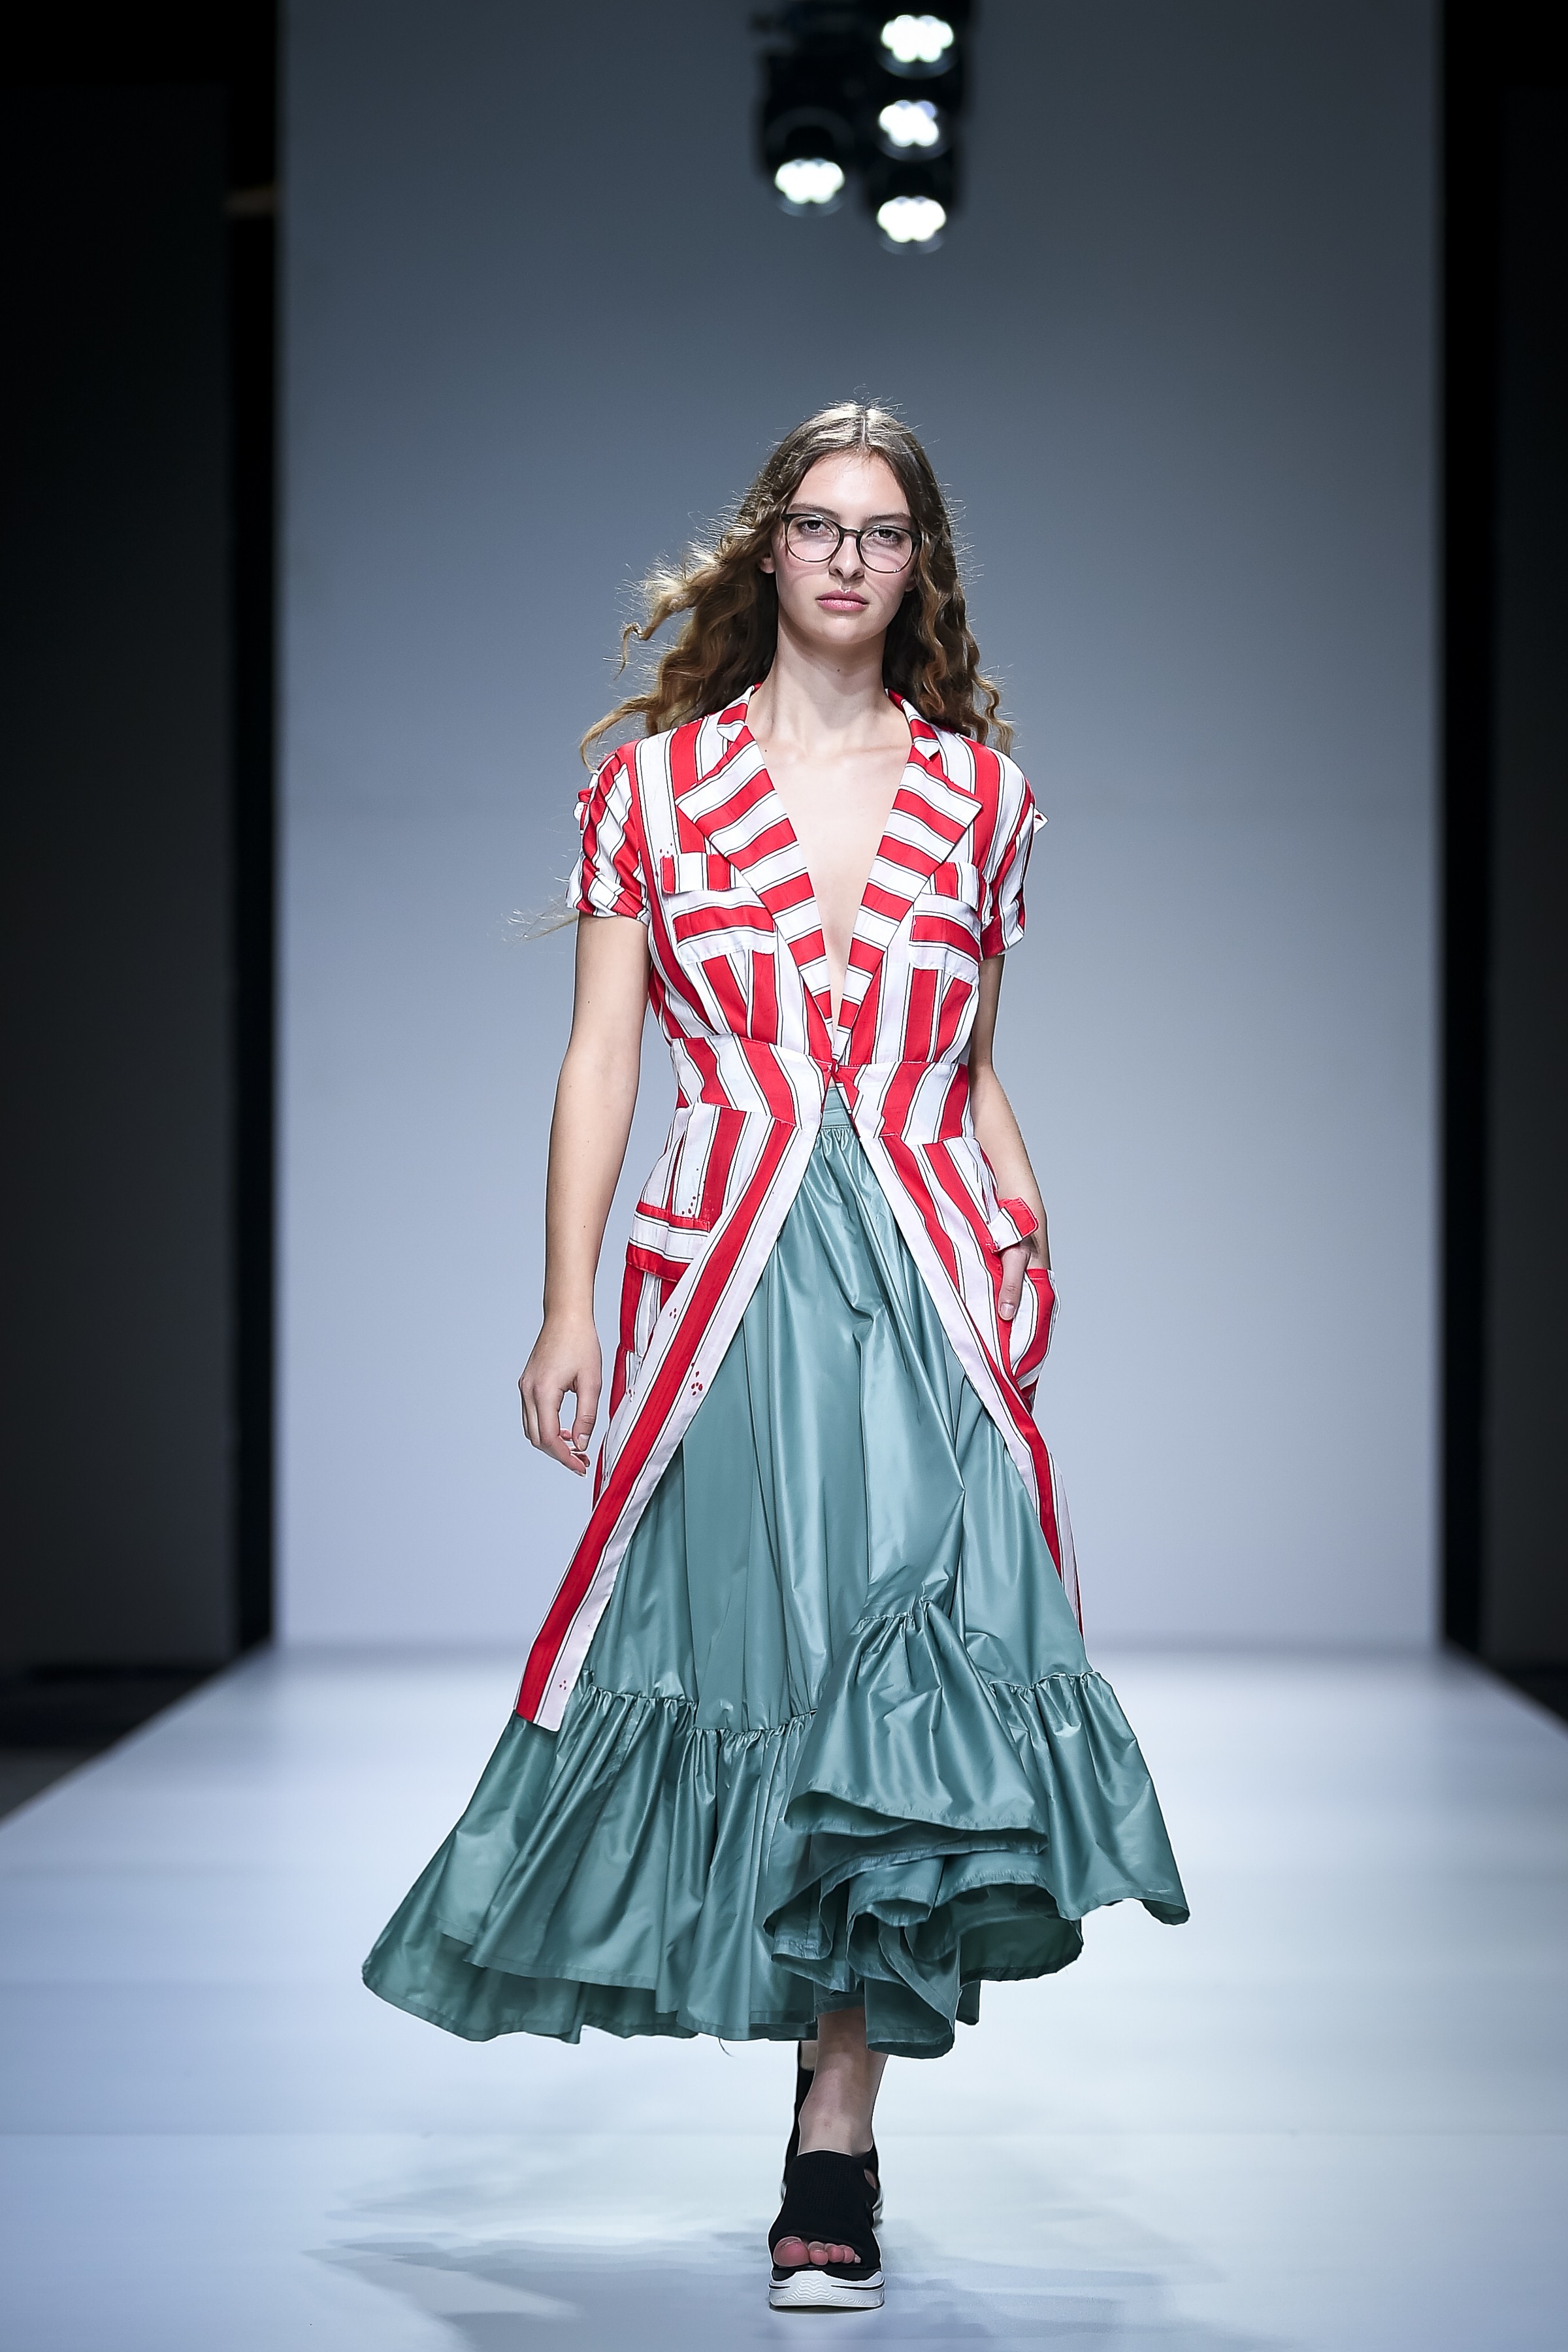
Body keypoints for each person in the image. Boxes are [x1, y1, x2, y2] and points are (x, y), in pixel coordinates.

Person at [363, 401, 1188, 2313]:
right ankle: (815, 2074)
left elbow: (972, 1069)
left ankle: (838, 2134)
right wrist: (566, 1302)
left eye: (883, 532)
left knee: (913, 1672)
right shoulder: (651, 792)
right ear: (768, 544)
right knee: (779, 1670)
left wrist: (1027, 1243)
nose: (846, 559)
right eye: (818, 524)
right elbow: (602, 1055)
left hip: (934, 1272)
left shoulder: (984, 799)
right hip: (730, 1277)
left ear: (920, 567)